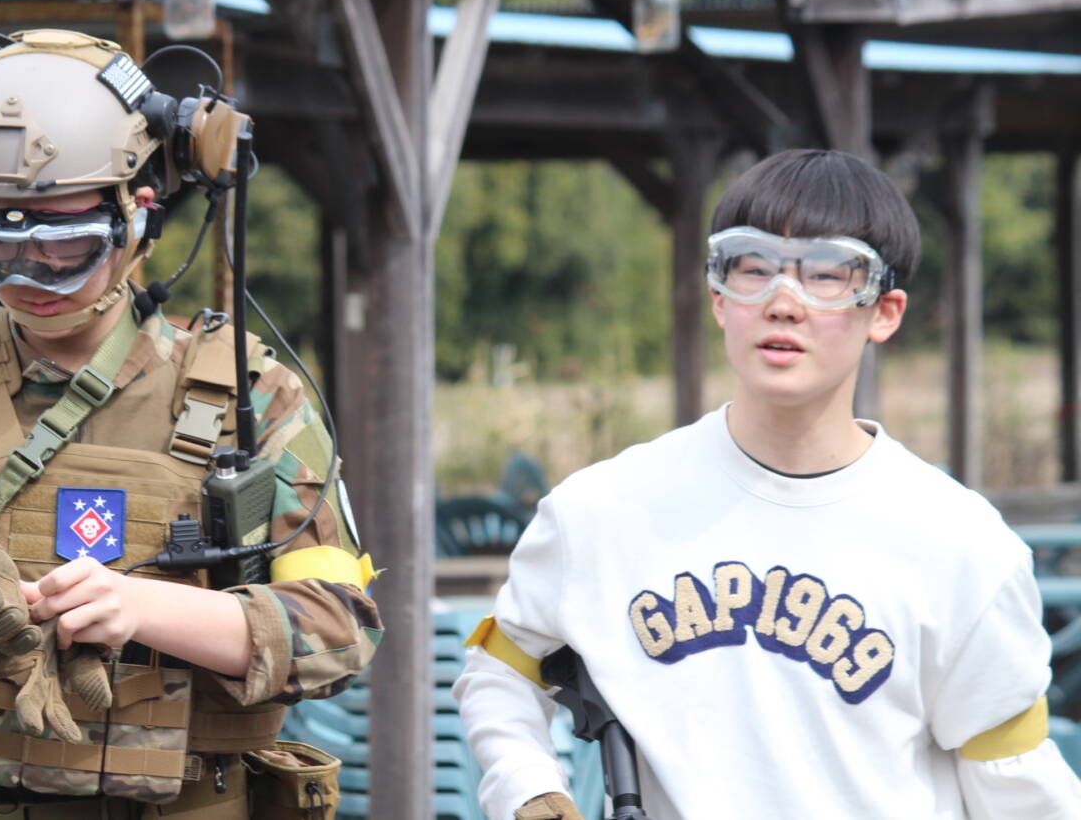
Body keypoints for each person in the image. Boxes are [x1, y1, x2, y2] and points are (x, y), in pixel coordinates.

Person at [0, 28, 379, 819]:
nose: (26, 275)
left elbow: (341, 629)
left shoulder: (255, 396)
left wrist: (142, 608)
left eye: (63, 245)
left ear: (138, 213)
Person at [455, 148, 1081, 820]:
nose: (784, 302)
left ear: (885, 311)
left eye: (828, 274)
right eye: (753, 268)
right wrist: (528, 787)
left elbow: (1016, 787)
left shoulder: (964, 546)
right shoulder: (600, 510)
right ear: (719, 297)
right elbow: (500, 672)